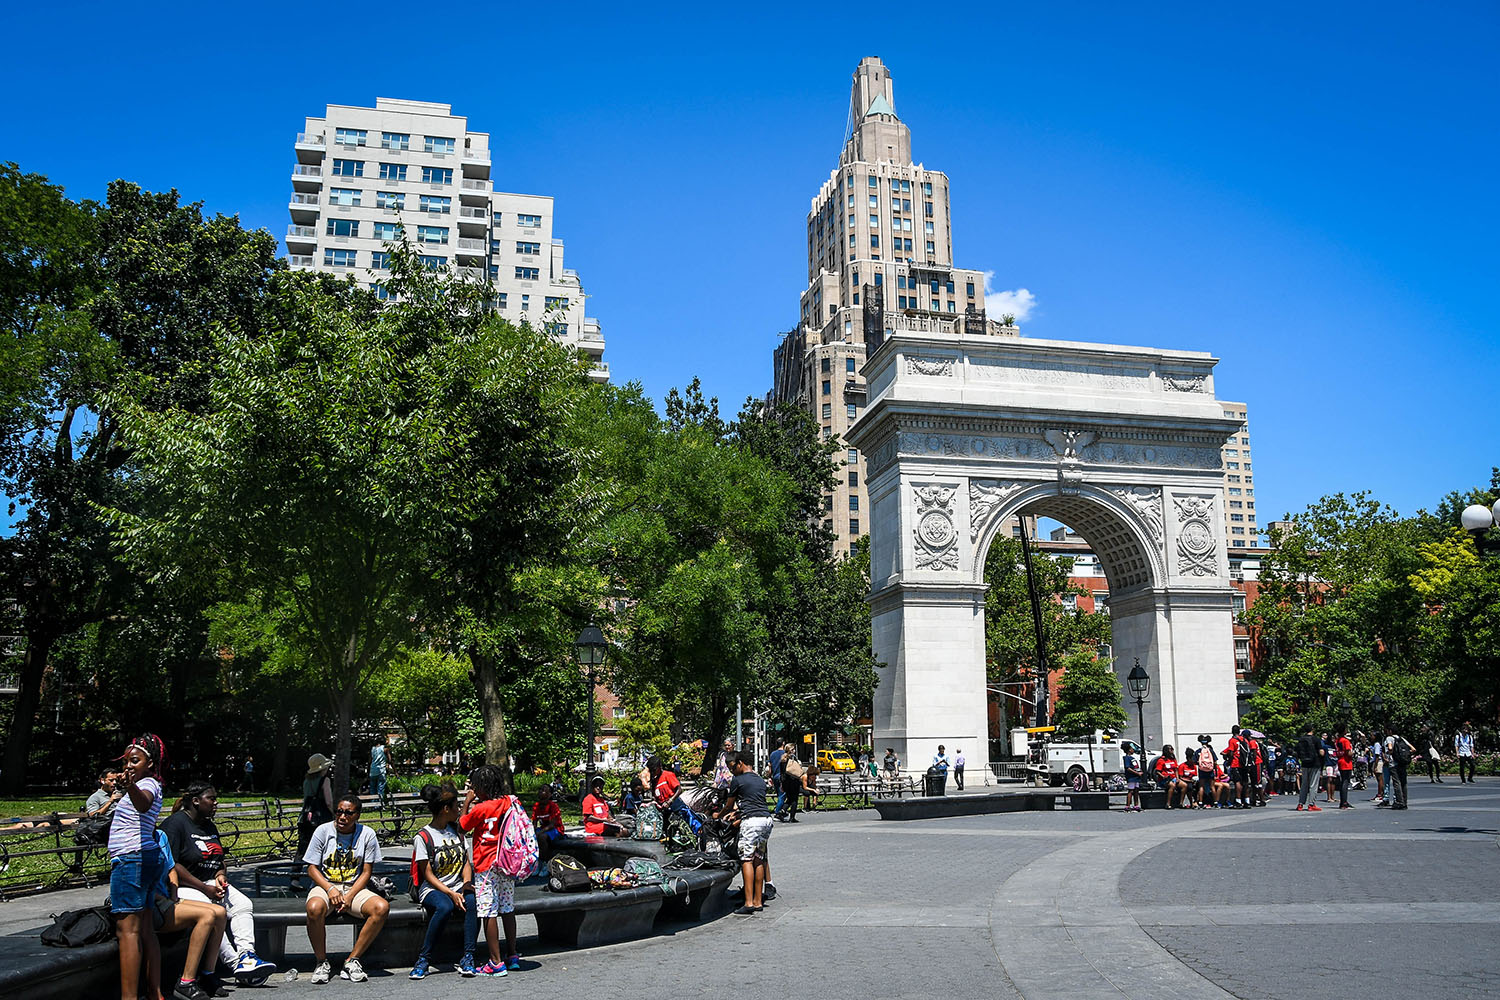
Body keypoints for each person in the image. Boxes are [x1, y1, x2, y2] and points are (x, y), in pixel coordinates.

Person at [163, 781, 277, 988]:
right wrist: (204, 888)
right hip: (183, 886)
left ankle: (246, 955)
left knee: (243, 904)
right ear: (196, 801)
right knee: (215, 912)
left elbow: (219, 858)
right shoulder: (176, 824)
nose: (216, 803)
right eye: (212, 799)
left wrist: (220, 875)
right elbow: (172, 864)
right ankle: (236, 964)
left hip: (210, 882)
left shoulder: (209, 825)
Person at [302, 794, 388, 984]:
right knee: (314, 908)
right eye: (339, 812)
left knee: (381, 908)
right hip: (325, 884)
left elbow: (366, 872)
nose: (342, 817)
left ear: (357, 815)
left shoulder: (367, 834)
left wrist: (350, 895)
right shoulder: (323, 831)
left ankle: (352, 960)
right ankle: (321, 961)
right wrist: (330, 889)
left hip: (353, 886)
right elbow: (311, 868)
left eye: (348, 813)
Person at [110, 733, 168, 1000]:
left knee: (128, 931)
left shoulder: (148, 785)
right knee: (145, 928)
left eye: (135, 760)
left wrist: (130, 786)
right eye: (126, 762)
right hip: (143, 859)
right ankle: (154, 992)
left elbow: (143, 805)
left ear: (150, 762)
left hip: (132, 860)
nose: (129, 766)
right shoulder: (146, 783)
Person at [152, 826, 228, 1000]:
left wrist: (173, 894)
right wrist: (164, 900)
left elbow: (171, 869)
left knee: (220, 912)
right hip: (152, 902)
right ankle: (186, 981)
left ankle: (208, 973)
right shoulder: (134, 841)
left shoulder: (160, 835)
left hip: (167, 898)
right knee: (207, 916)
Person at [409, 781, 476, 980]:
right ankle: (423, 958)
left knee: (473, 903)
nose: (459, 811)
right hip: (433, 888)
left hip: (458, 885)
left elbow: (465, 862)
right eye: (457, 807)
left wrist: (466, 884)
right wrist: (450, 893)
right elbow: (427, 873)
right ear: (446, 809)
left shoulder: (457, 832)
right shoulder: (424, 836)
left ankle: (469, 956)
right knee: (445, 907)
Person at [459, 765, 517, 976]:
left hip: (486, 865)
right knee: (507, 909)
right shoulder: (509, 802)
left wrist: (467, 802)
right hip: (507, 863)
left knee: (488, 912)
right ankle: (513, 955)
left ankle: (495, 962)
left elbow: (462, 826)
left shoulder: (480, 809)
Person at [726, 751, 772, 915]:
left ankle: (749, 902)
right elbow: (754, 801)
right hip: (766, 820)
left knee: (746, 860)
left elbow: (729, 804)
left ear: (740, 763)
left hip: (751, 823)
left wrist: (719, 814)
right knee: (759, 859)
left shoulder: (738, 780)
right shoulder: (759, 779)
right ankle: (758, 901)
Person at [297, 754, 335, 867]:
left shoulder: (306, 781)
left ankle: (295, 876)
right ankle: (320, 873)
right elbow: (328, 801)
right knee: (323, 844)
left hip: (306, 816)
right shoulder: (325, 780)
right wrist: (334, 813)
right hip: (321, 817)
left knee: (303, 846)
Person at [1294, 723, 1324, 812]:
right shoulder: (1316, 739)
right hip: (1315, 763)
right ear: (1312, 729)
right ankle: (1311, 804)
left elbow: (1296, 751)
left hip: (1304, 763)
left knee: (1304, 784)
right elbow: (1321, 752)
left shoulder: (1301, 739)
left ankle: (1300, 804)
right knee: (1313, 785)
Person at [1385, 729, 1414, 810]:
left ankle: (1399, 802)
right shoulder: (1402, 739)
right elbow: (1413, 749)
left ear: (1390, 731)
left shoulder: (1389, 738)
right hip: (1402, 763)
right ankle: (1405, 802)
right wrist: (1404, 755)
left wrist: (1391, 753)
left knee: (1396, 782)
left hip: (1394, 763)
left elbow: (1390, 748)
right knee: (1403, 783)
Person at [531, 783, 564, 847]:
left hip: (556, 830)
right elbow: (534, 823)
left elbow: (552, 825)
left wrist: (539, 833)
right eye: (540, 789)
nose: (540, 791)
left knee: (542, 837)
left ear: (549, 794)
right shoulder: (536, 806)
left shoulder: (553, 806)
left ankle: (544, 856)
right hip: (542, 829)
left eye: (543, 790)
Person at [779, 750, 805, 822]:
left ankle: (783, 810)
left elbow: (781, 772)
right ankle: (792, 817)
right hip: (794, 781)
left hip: (785, 782)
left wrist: (782, 783)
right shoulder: (793, 759)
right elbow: (798, 770)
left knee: (789, 798)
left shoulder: (782, 760)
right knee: (794, 800)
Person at [1335, 725, 1355, 809]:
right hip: (1346, 762)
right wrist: (1353, 752)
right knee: (1345, 782)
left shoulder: (1337, 740)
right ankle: (1344, 802)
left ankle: (1343, 801)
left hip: (1340, 760)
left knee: (1343, 781)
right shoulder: (1345, 741)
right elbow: (1348, 753)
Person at [1122, 745, 1142, 812]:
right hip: (1131, 777)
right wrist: (1137, 773)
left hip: (1136, 777)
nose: (1133, 750)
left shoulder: (1132, 758)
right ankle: (1127, 805)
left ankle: (1136, 805)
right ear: (1129, 750)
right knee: (1131, 790)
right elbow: (1128, 768)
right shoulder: (1127, 758)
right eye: (1132, 749)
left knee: (1136, 790)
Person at [369, 738, 389, 804]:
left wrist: (368, 771)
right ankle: (380, 804)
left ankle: (373, 804)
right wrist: (395, 772)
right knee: (380, 789)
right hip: (381, 771)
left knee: (372, 789)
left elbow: (370, 761)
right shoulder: (385, 749)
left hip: (372, 771)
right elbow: (390, 760)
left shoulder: (372, 749)